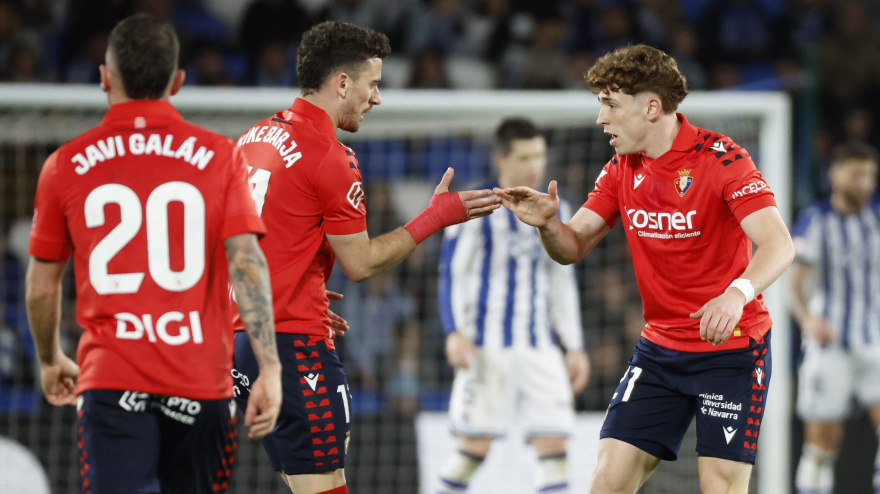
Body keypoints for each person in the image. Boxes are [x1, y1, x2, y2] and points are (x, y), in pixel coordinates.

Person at [494, 44, 795, 494]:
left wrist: (736, 294)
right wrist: (548, 225)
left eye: (610, 104)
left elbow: (779, 244)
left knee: (721, 488)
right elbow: (571, 246)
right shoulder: (620, 168)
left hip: (730, 351)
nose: (601, 119)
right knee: (606, 483)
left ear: (652, 107)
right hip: (660, 351)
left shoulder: (722, 159)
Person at [229, 20, 501, 494]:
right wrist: (436, 216)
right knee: (327, 486)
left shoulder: (252, 137)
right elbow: (363, 264)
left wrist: (302, 286)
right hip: (294, 350)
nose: (376, 98)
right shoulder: (332, 157)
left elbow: (238, 243)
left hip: (238, 341)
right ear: (342, 83)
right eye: (373, 84)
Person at [24, 14, 282, 494]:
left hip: (113, 380)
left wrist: (48, 357)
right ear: (179, 81)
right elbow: (247, 262)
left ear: (104, 77)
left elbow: (42, 287)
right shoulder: (222, 156)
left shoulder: (65, 165)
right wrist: (269, 366)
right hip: (201, 381)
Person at [436, 117, 591, 494]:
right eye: (525, 156)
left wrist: (575, 345)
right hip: (487, 346)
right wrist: (453, 331)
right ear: (501, 160)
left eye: (539, 155)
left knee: (553, 444)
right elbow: (451, 273)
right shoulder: (475, 206)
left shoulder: (557, 207)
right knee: (475, 445)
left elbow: (561, 282)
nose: (535, 165)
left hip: (539, 344)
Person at [788, 140, 880, 494]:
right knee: (822, 444)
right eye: (858, 175)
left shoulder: (875, 219)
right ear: (836, 175)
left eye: (871, 176)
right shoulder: (815, 221)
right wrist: (807, 320)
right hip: (829, 346)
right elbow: (792, 287)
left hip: (873, 340)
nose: (866, 184)